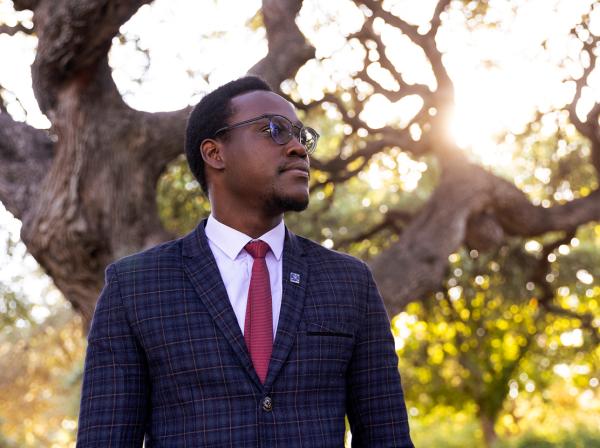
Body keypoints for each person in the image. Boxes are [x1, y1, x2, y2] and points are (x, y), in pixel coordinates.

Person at [76, 76, 414, 447]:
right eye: (275, 130)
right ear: (214, 153)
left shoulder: (350, 282)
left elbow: (388, 437)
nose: (299, 149)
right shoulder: (134, 287)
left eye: (302, 136)